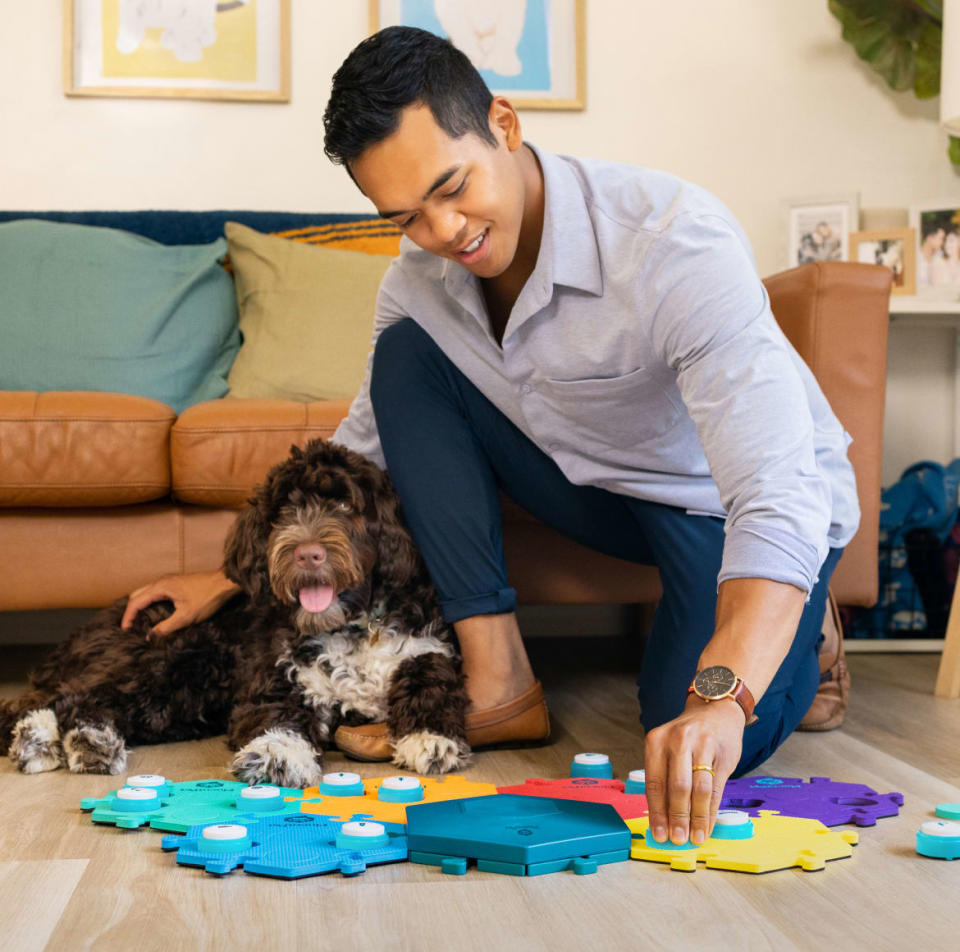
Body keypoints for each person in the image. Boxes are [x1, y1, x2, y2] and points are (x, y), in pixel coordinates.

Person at [122, 27, 858, 849]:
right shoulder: (418, 281)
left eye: (453, 187)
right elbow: (363, 450)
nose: (445, 231)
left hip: (716, 505)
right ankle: (500, 677)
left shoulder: (673, 241)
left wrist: (722, 698)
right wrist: (241, 571)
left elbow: (775, 489)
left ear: (503, 123)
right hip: (591, 489)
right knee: (408, 356)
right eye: (407, 215)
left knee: (694, 742)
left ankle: (806, 621)